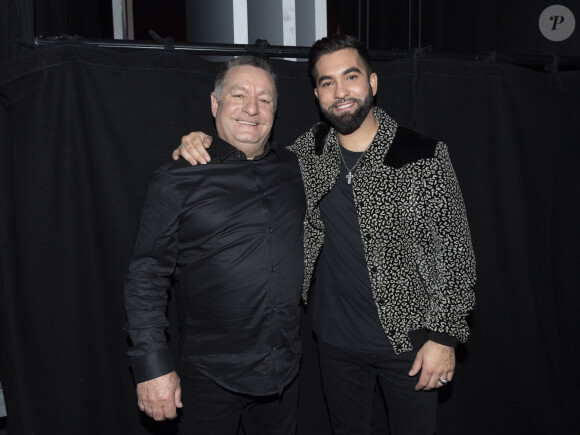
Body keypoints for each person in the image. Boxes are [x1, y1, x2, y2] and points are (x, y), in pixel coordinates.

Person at [176, 34, 476, 435]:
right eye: (327, 82)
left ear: (371, 83)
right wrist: (202, 140)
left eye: (350, 77)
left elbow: (455, 254)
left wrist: (444, 337)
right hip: (335, 344)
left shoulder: (422, 154)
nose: (340, 91)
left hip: (412, 342)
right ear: (317, 94)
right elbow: (249, 154)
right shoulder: (306, 153)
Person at [124, 55, 305, 435]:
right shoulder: (176, 178)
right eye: (238, 95)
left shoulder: (296, 168)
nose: (252, 109)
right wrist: (152, 367)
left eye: (265, 99)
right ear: (214, 103)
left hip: (284, 376)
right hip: (209, 378)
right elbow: (146, 276)